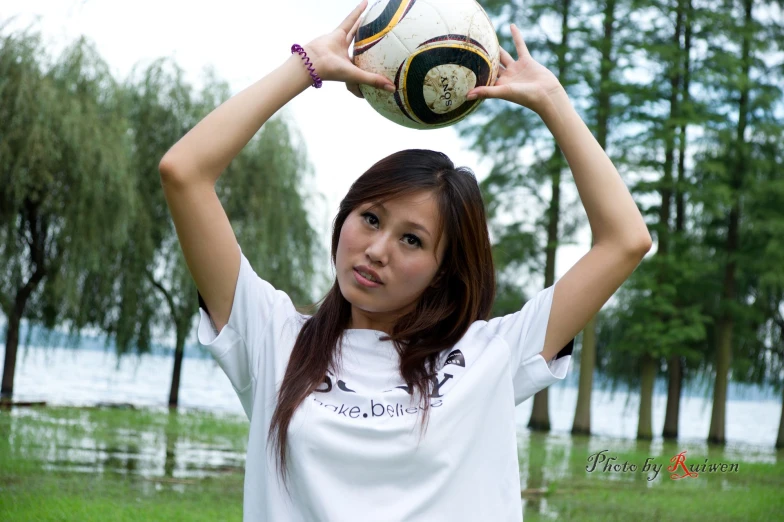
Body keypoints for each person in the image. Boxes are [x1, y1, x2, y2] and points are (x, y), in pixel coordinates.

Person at [158, 1, 652, 520]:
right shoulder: (272, 337)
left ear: (445, 270)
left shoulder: (490, 356)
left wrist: (553, 100)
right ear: (345, 215)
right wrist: (304, 67)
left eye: (412, 240)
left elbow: (625, 240)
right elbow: (184, 172)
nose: (377, 250)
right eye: (370, 218)